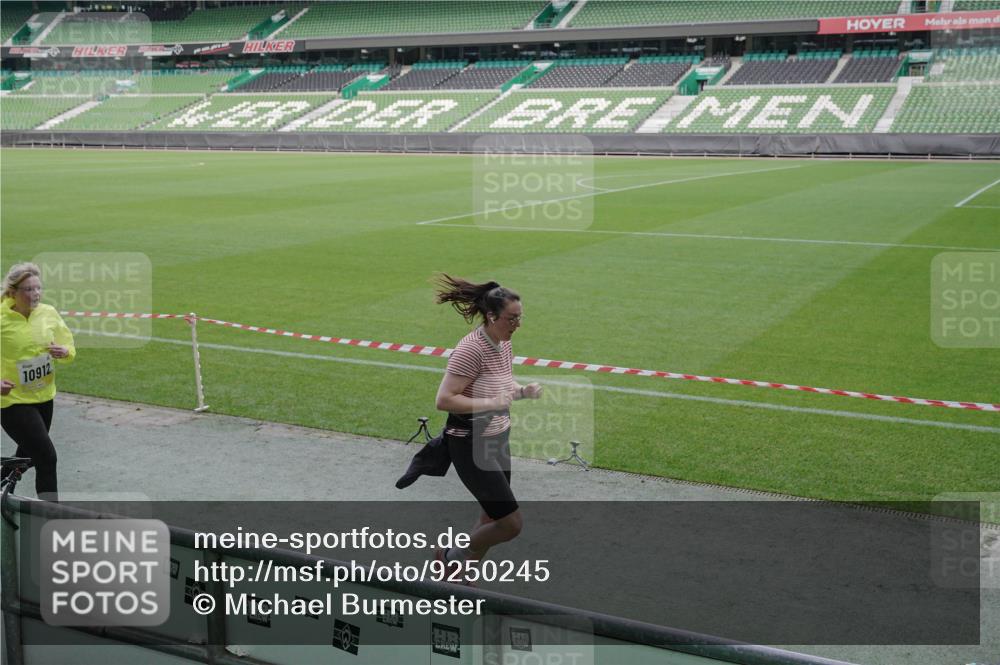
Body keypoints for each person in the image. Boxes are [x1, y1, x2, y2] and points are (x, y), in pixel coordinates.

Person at [432, 274, 541, 575]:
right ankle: (449, 556)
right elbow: (444, 400)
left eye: (520, 317)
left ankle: (459, 578)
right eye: (511, 318)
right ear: (492, 316)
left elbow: (501, 384)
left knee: (491, 518)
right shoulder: (471, 350)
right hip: (469, 443)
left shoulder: (503, 343)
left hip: (496, 438)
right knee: (510, 524)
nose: (517, 324)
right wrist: (490, 404)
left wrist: (521, 392)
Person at [1, 262, 75, 501]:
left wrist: (65, 352)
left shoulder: (48, 313)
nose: (35, 294)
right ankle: (50, 516)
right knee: (46, 457)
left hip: (44, 397)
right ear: (13, 292)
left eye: (38, 289)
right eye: (28, 290)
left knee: (30, 455)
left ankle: (3, 480)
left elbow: (67, 342)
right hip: (12, 401)